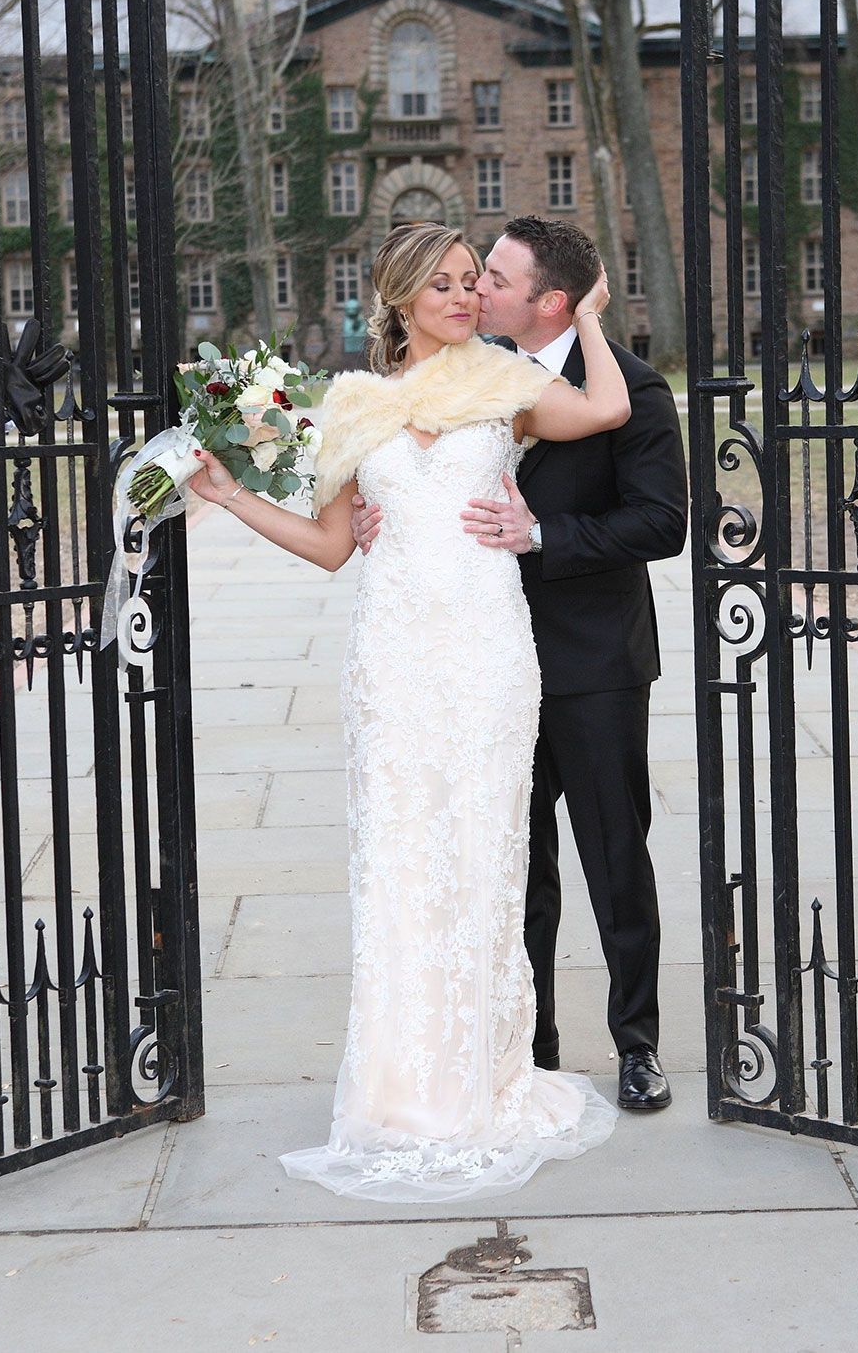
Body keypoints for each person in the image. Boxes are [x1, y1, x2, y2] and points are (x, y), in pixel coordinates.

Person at [188, 221, 630, 1202]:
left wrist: (591, 316)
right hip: (393, 662)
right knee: (401, 867)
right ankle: (401, 1091)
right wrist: (228, 495)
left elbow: (605, 409)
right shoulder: (353, 405)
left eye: (473, 282)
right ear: (398, 297)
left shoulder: (505, 387)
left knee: (484, 859)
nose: (465, 297)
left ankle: (483, 1078)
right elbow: (333, 546)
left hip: (486, 656)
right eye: (444, 284)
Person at [351, 217, 688, 1112]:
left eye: (494, 278)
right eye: (469, 277)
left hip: (591, 664)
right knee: (510, 864)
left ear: (549, 302)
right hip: (481, 662)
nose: (477, 290)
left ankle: (637, 1045)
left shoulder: (636, 390)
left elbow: (662, 523)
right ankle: (524, 1046)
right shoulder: (471, 380)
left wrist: (543, 533)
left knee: (615, 856)